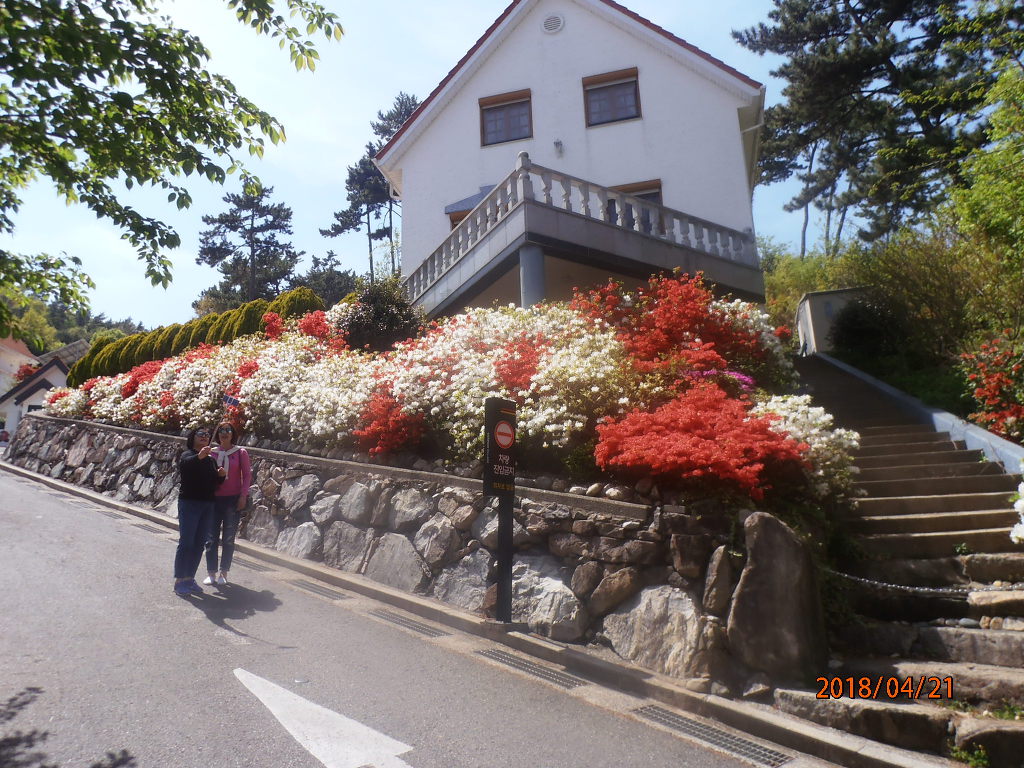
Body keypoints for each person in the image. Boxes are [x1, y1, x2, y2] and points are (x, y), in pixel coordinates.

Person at [174, 427, 224, 596]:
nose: (205, 436)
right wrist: (199, 456)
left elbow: (214, 483)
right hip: (189, 503)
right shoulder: (187, 455)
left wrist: (221, 476)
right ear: (193, 437)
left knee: (199, 543)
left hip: (207, 505)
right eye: (201, 434)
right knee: (186, 542)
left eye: (207, 434)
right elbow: (185, 467)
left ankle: (189, 578)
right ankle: (179, 580)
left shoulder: (211, 460)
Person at [205, 421, 251, 587]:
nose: (224, 433)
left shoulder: (240, 453)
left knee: (228, 539)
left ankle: (224, 572)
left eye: (228, 430)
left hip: (232, 500)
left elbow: (247, 475)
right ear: (217, 434)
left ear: (233, 434)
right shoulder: (211, 452)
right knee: (211, 538)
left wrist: (243, 496)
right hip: (214, 500)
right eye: (221, 430)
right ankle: (211, 572)